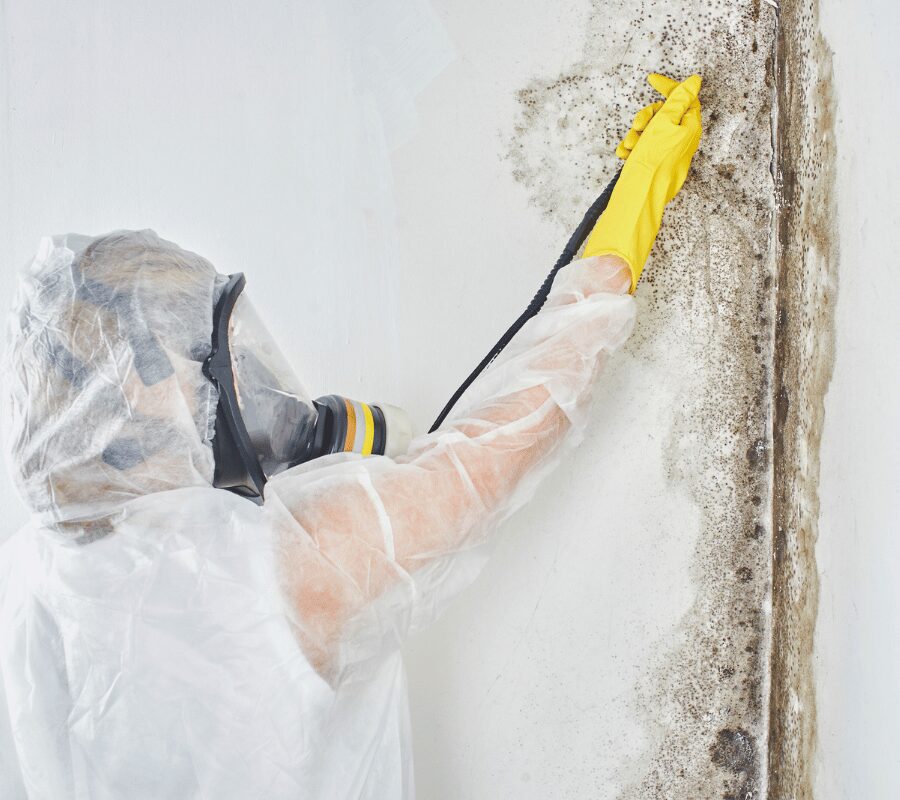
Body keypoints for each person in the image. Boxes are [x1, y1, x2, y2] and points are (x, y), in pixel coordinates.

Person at [0, 73, 701, 798]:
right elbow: (502, 446)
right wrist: (630, 214)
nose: (235, 376)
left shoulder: (20, 587)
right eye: (205, 353)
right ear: (140, 386)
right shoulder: (258, 572)